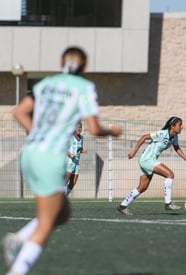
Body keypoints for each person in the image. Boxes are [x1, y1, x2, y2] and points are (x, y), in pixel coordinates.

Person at [3, 46, 122, 275]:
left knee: (62, 212)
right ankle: (17, 270)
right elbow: (95, 129)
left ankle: (19, 239)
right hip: (49, 158)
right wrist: (113, 132)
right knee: (47, 224)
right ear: (85, 67)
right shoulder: (84, 87)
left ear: (61, 64)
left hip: (30, 153)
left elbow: (19, 112)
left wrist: (37, 133)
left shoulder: (46, 83)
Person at [117, 116, 186, 215]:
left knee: (142, 187)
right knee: (170, 174)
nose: (181, 127)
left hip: (149, 160)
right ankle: (168, 203)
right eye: (179, 125)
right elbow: (144, 137)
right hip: (147, 159)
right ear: (172, 126)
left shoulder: (175, 136)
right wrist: (133, 152)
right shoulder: (162, 133)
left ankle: (122, 206)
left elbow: (177, 148)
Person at [65, 122, 86, 196]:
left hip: (76, 162)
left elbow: (80, 149)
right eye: (77, 127)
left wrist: (82, 151)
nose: (79, 129)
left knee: (73, 182)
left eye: (80, 127)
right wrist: (70, 154)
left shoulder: (82, 138)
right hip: (69, 162)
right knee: (65, 181)